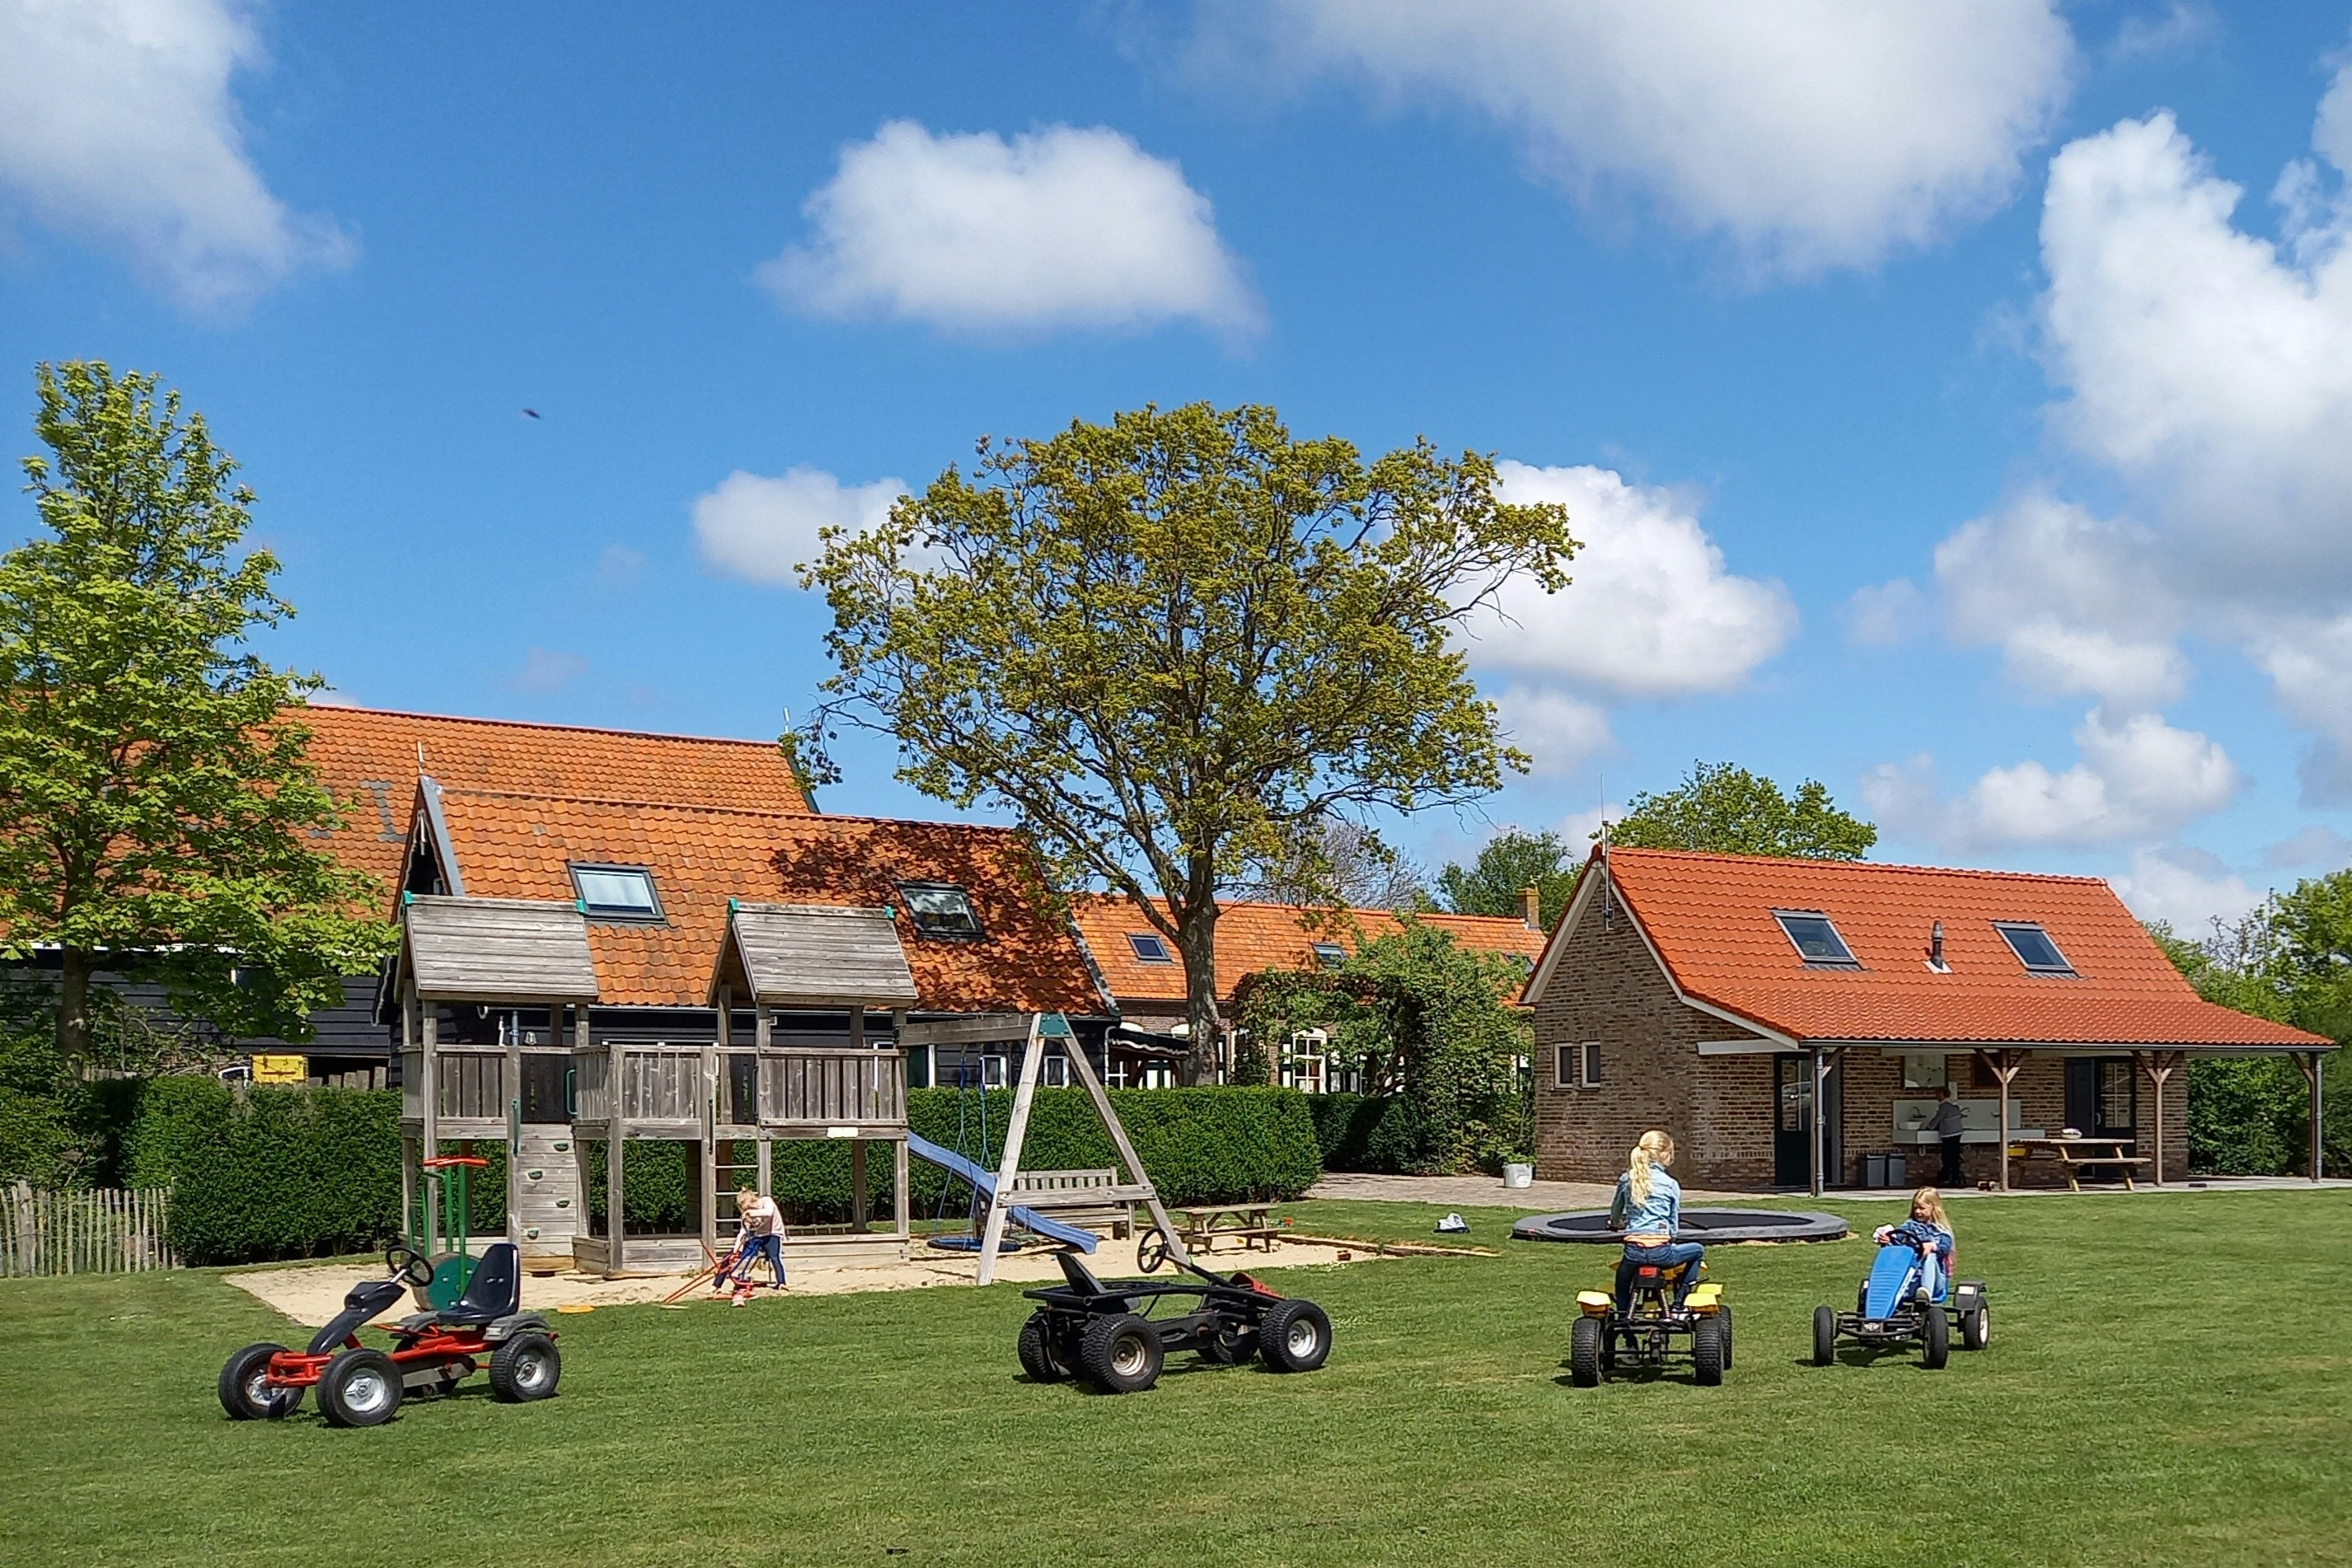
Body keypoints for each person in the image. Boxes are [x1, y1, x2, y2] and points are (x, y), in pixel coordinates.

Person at [1608, 1130, 1705, 1313]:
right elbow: (1672, 1221)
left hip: (1634, 1253)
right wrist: (1671, 1237)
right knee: (1697, 1250)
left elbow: (1616, 1212)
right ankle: (1678, 1304)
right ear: (1666, 1154)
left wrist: (1615, 1223)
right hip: (1661, 1253)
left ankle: (1623, 1313)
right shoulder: (1670, 1183)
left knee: (1622, 1283)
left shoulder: (1627, 1179)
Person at [1873, 1187, 1954, 1304]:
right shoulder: (1910, 1226)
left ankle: (1925, 1293)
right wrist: (1887, 1238)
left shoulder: (1941, 1232)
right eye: (1915, 1208)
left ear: (1934, 1209)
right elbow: (1898, 1236)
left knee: (1930, 1256)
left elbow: (1945, 1248)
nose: (1917, 1212)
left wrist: (1932, 1246)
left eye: (1922, 1208)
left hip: (1935, 1281)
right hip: (1912, 1277)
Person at [721, 1186, 787, 1300]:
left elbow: (769, 1213)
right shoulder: (749, 1214)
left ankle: (781, 1282)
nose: (750, 1209)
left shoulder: (766, 1201)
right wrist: (736, 1249)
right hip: (760, 1235)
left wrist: (751, 1212)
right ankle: (740, 1276)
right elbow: (743, 1233)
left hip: (774, 1233)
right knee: (749, 1252)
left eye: (750, 1206)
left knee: (774, 1257)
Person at [1928, 1086, 1965, 1185]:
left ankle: (1947, 1177)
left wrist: (1930, 1127)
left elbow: (1938, 1118)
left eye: (1937, 1094)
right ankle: (1955, 1177)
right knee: (1954, 1156)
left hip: (1949, 1134)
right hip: (1957, 1133)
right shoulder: (1953, 1105)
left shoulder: (1944, 1106)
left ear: (1941, 1094)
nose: (1935, 1096)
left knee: (1947, 1157)